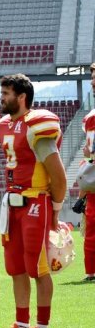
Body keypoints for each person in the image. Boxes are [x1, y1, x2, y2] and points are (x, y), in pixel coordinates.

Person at [0, 74, 66, 328]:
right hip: (12, 204)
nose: (2, 98)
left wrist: (55, 210)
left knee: (38, 268)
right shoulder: (3, 125)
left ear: (22, 97)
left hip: (36, 202)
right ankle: (21, 327)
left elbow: (58, 177)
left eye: (7, 93)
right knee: (16, 268)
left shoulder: (36, 125)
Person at [73, 62, 95, 283]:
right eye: (92, 79)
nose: (93, 83)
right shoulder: (91, 117)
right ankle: (91, 271)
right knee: (91, 229)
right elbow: (89, 158)